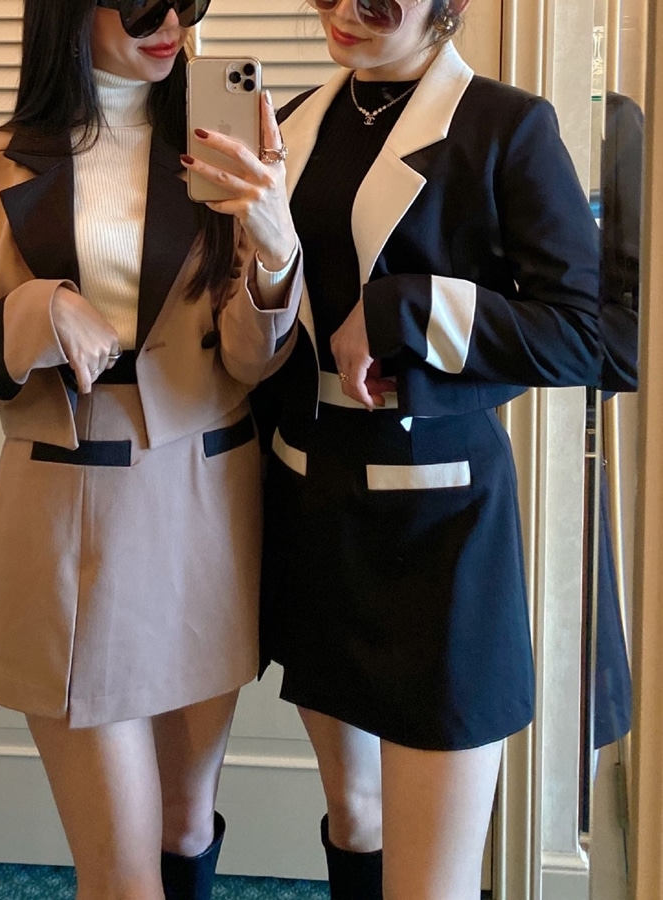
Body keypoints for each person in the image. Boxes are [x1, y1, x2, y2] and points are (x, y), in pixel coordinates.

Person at [0, 1, 300, 898]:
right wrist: (35, 310)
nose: (169, 22)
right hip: (70, 523)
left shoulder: (217, 145)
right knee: (122, 874)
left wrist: (276, 253)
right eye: (139, 2)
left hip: (205, 512)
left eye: (188, 1)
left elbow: (251, 362)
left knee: (185, 826)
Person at [255, 0, 601, 897]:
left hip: (441, 529)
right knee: (352, 818)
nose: (344, 11)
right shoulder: (290, 123)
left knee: (429, 881)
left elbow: (579, 333)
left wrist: (404, 308)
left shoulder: (507, 126)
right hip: (313, 501)